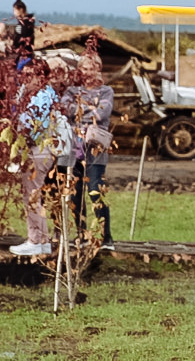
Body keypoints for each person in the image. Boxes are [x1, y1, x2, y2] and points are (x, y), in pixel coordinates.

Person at [8, 84, 71, 258]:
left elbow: (37, 124)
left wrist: (23, 139)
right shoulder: (39, 93)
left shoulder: (43, 95)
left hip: (38, 149)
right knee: (34, 193)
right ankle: (41, 241)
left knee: (32, 193)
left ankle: (36, 240)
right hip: (39, 148)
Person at [67, 54, 116, 248]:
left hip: (95, 149)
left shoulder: (106, 91)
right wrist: (88, 109)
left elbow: (102, 112)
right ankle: (82, 234)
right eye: (84, 69)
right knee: (74, 193)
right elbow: (66, 109)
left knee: (96, 190)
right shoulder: (72, 90)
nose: (87, 73)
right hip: (74, 148)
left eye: (91, 69)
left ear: (99, 70)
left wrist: (80, 111)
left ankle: (105, 236)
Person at [10, 0, 35, 67]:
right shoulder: (20, 22)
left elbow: (24, 37)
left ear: (20, 9)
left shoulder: (27, 23)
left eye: (15, 10)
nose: (14, 12)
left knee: (18, 70)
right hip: (18, 52)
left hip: (25, 53)